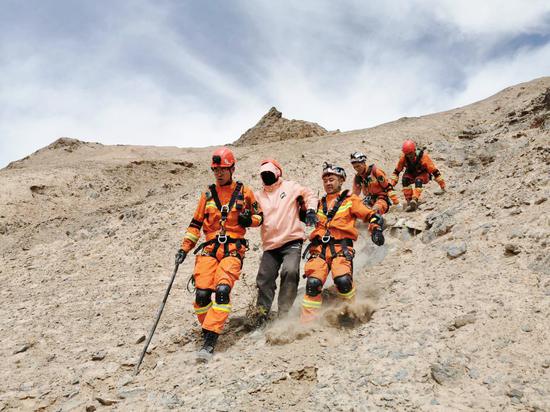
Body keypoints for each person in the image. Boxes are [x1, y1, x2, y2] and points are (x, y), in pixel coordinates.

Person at [175, 147, 263, 361]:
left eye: (223, 169)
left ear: (232, 168)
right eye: (216, 170)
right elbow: (195, 224)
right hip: (210, 249)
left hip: (233, 249)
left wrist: (248, 221)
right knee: (202, 294)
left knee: (222, 290)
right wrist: (184, 248)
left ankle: (210, 340)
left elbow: (260, 216)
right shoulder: (207, 195)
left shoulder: (245, 192)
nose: (219, 173)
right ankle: (209, 329)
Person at [301, 162, 384, 323]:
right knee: (313, 283)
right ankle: (307, 324)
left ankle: (352, 312)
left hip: (341, 248)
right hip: (319, 250)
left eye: (332, 179)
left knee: (343, 280)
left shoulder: (350, 200)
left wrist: (376, 229)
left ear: (341, 181)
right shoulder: (318, 203)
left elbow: (370, 215)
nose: (328, 183)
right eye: (325, 180)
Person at [254, 159, 318, 324]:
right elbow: (254, 213)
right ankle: (261, 315)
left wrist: (311, 210)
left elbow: (309, 194)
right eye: (264, 174)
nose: (266, 176)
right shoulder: (259, 196)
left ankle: (284, 314)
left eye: (269, 172)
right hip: (270, 245)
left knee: (290, 272)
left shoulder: (290, 187)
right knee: (264, 278)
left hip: (291, 240)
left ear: (277, 173)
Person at [390, 140, 446, 212]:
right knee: (405, 180)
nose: (409, 156)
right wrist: (391, 184)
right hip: (411, 174)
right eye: (407, 154)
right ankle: (409, 201)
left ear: (414, 150)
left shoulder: (423, 157)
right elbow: (396, 172)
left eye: (410, 153)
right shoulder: (404, 158)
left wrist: (442, 186)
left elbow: (435, 171)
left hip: (423, 175)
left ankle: (415, 199)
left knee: (418, 180)